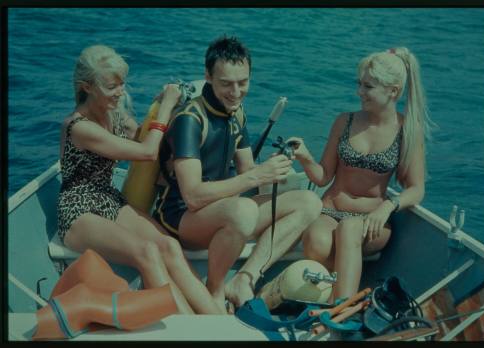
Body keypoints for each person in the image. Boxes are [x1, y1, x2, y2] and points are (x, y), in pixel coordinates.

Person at [153, 36, 322, 311]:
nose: (235, 92)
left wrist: (275, 169)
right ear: (208, 76)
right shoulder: (190, 120)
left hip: (225, 210)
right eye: (226, 84)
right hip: (181, 217)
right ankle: (215, 289)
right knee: (243, 211)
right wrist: (257, 177)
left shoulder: (236, 113)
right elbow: (193, 197)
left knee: (309, 202)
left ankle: (244, 279)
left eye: (243, 83)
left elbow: (247, 171)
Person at [56, 45, 223, 315]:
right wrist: (166, 106)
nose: (120, 91)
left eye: (122, 84)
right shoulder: (79, 127)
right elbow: (146, 152)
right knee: (146, 252)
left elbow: (145, 135)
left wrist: (167, 108)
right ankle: (190, 331)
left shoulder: (115, 115)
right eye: (112, 86)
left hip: (109, 199)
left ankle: (218, 323)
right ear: (87, 87)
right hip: (78, 210)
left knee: (168, 245)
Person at [288, 47, 431, 301]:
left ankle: (340, 309)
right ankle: (335, 299)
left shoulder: (407, 132)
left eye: (368, 87)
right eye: (359, 84)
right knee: (318, 242)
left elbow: (417, 188)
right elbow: (323, 177)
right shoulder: (345, 121)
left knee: (351, 229)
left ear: (393, 91)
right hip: (330, 210)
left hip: (372, 220)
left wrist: (387, 207)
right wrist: (305, 157)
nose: (359, 92)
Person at [32, 249, 178, 340]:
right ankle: (84, 302)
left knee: (90, 260)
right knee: (110, 282)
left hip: (61, 307)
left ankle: (84, 301)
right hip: (47, 319)